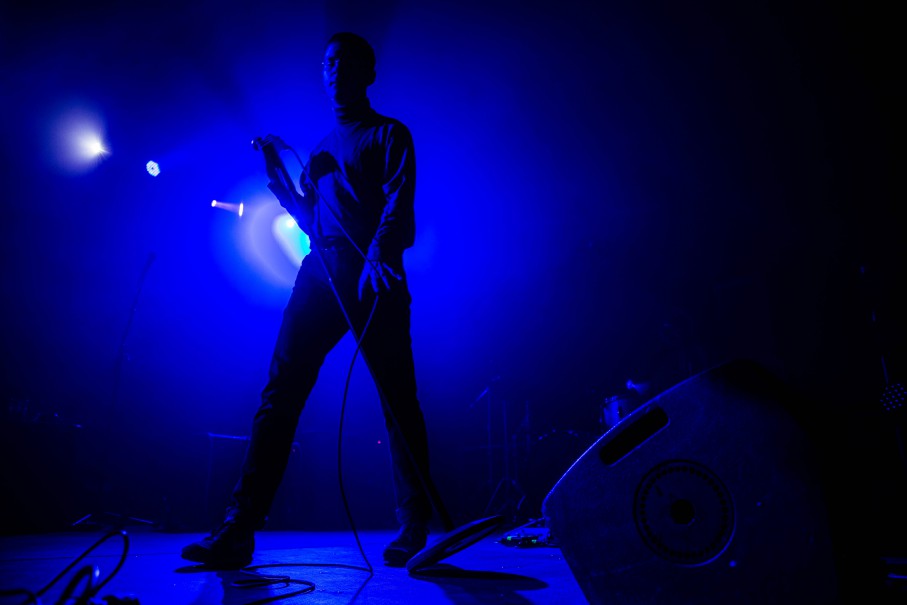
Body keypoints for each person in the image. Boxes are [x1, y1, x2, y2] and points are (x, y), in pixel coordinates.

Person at [181, 32, 434, 569]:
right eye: (328, 62)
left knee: (397, 398)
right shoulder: (317, 151)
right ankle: (239, 527)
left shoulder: (389, 134)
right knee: (281, 392)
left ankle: (414, 523)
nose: (335, 69)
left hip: (374, 273)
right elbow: (310, 223)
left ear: (368, 73)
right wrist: (278, 180)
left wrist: (379, 253)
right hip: (321, 271)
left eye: (346, 61)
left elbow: (399, 199)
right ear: (322, 75)